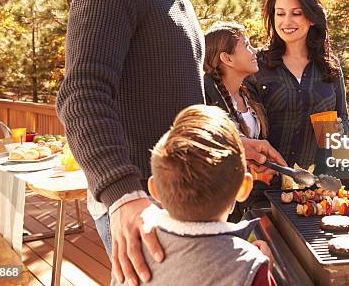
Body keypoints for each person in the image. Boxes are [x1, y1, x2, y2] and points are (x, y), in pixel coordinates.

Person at [56, 0, 284, 285]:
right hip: (139, 203)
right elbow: (82, 95)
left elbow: (182, 106)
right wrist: (123, 194)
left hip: (178, 204)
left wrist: (232, 144)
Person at [110, 104, 277, 286]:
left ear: (154, 189)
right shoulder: (248, 266)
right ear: (244, 187)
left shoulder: (131, 253)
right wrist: (262, 272)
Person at [247, 0, 349, 174]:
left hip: (317, 185)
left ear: (311, 18)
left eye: (296, 13)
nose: (286, 22)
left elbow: (343, 118)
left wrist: (339, 129)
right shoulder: (256, 64)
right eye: (280, 13)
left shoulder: (330, 66)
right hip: (266, 183)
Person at [203, 22, 275, 219]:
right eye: (247, 45)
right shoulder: (204, 99)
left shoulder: (249, 95)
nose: (254, 51)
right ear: (227, 58)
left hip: (249, 199)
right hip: (218, 205)